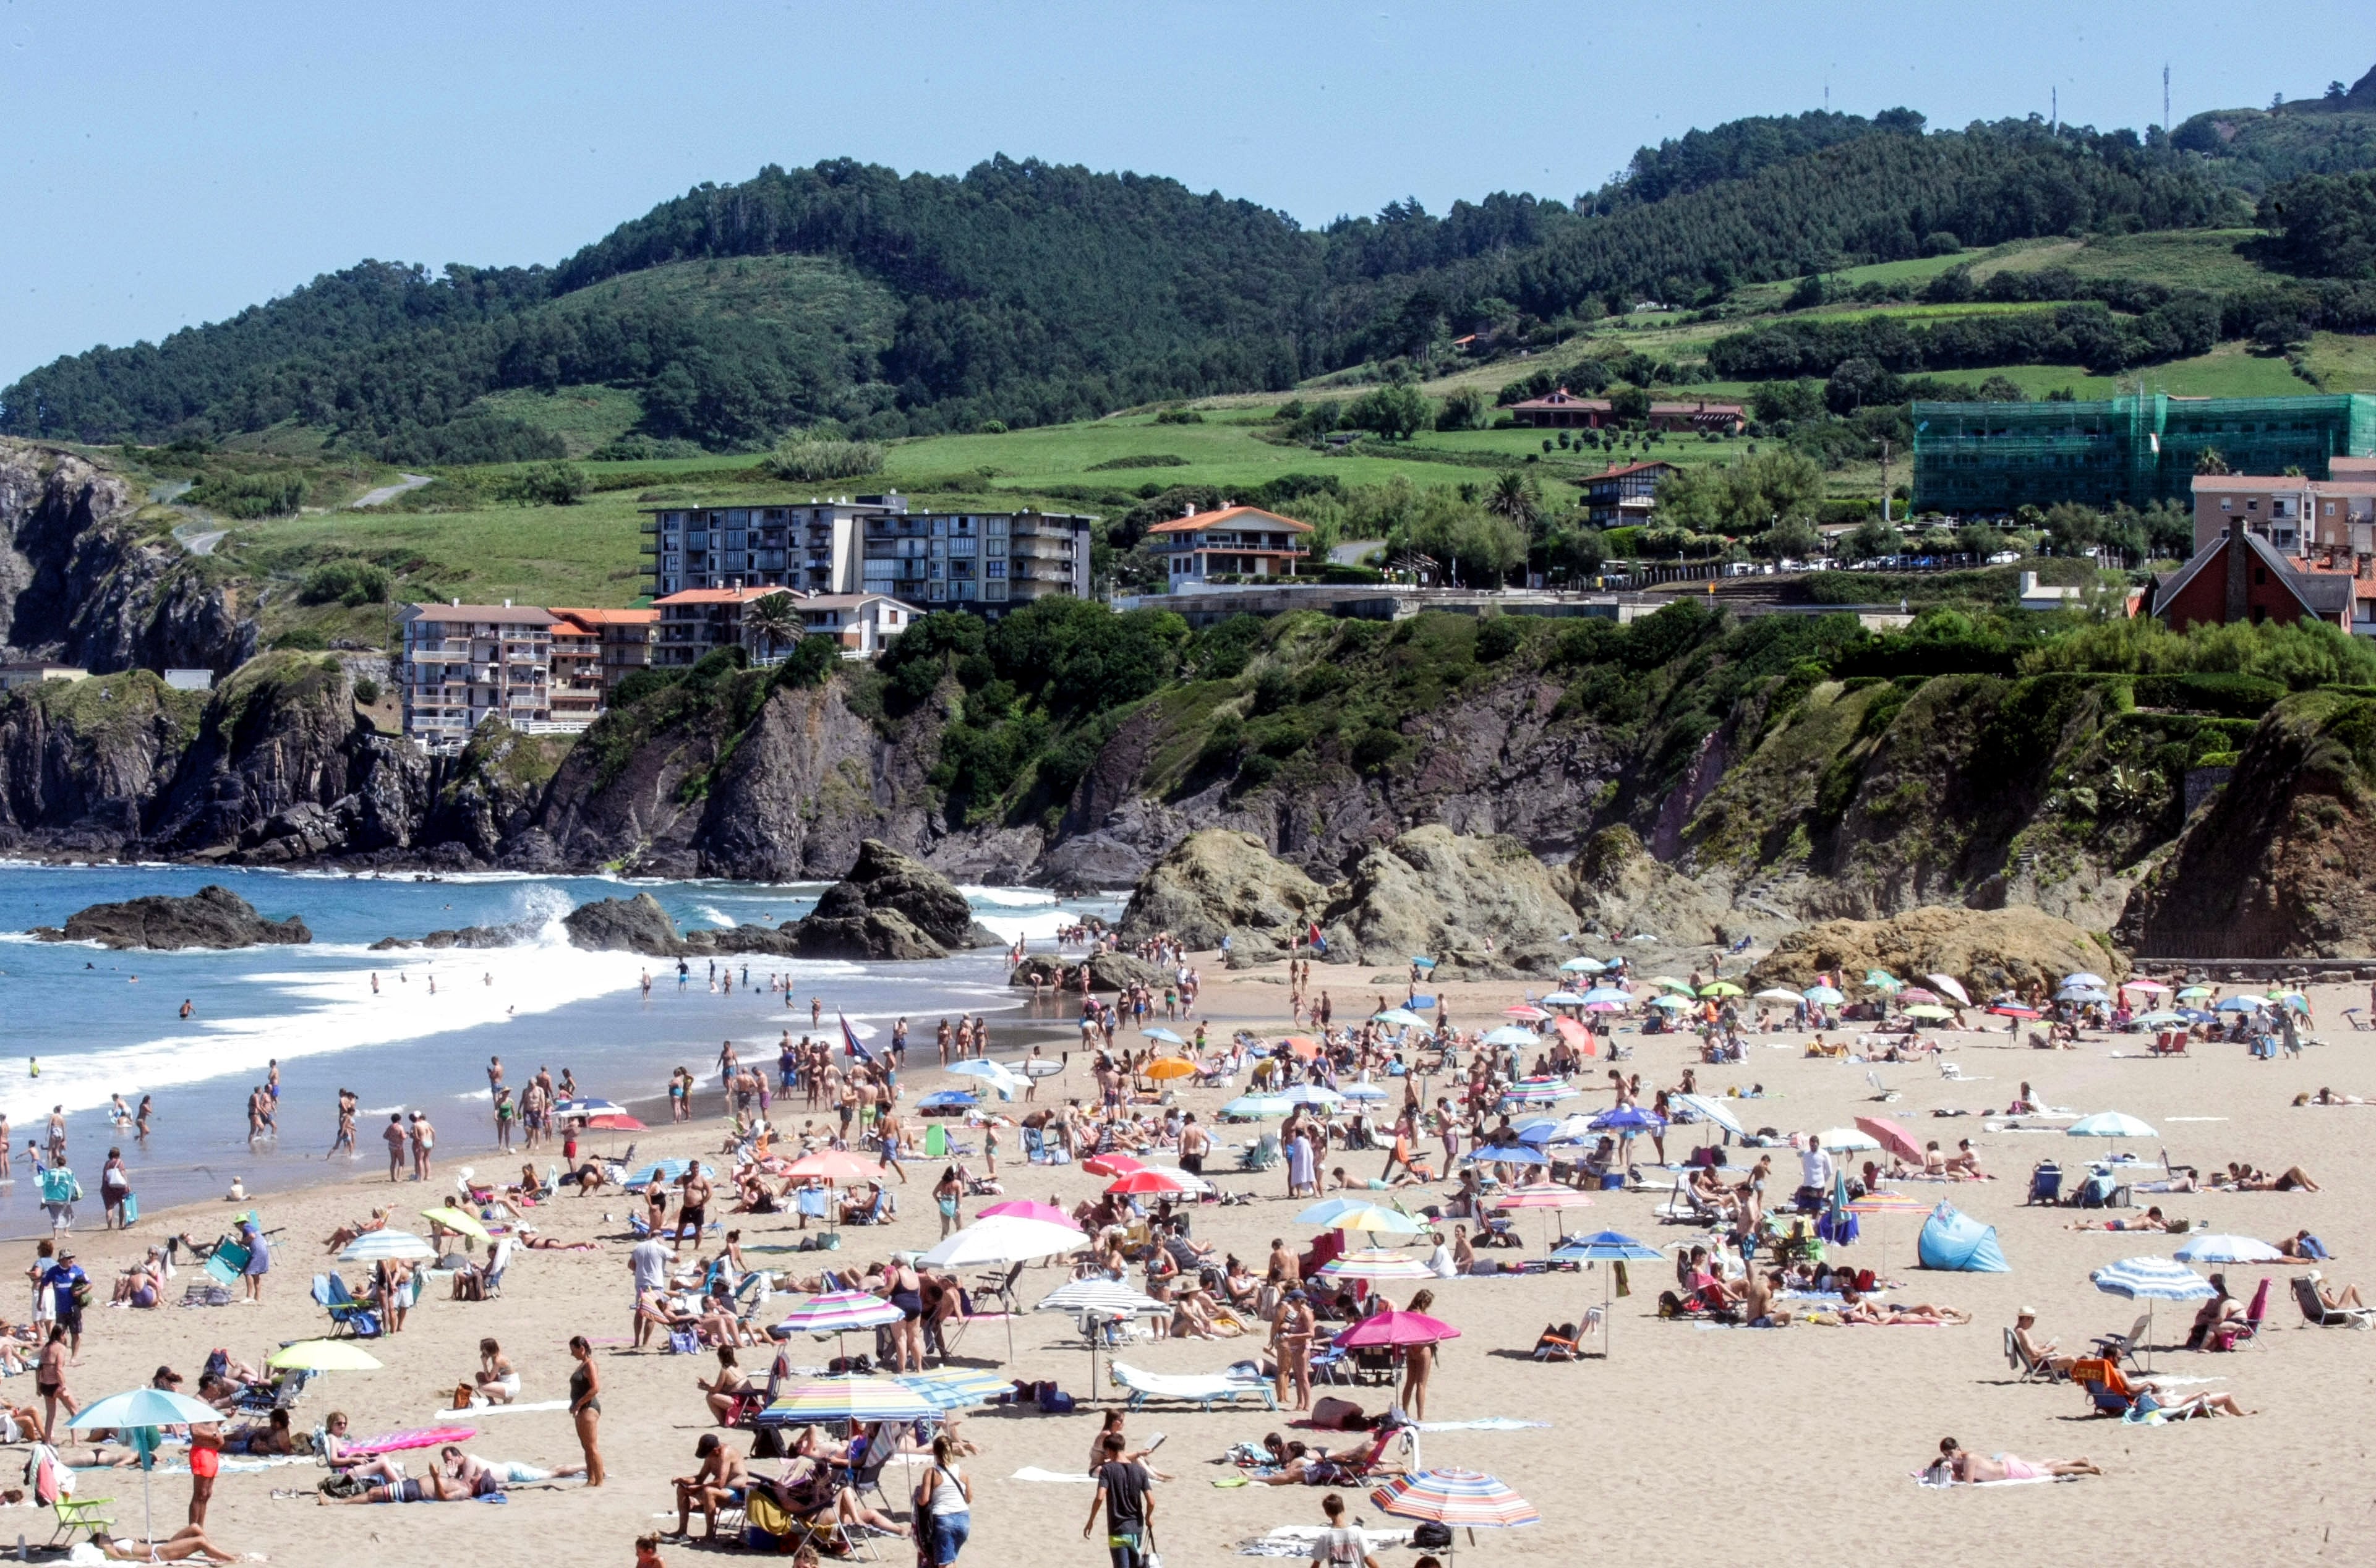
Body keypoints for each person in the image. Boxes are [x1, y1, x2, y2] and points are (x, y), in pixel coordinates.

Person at [1083, 1431, 1155, 1568]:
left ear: (1109, 1450)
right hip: (1136, 1529)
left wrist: (1091, 1521)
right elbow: (1151, 1501)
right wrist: (1148, 1517)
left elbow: (1100, 1497)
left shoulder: (1107, 1470)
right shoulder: (1140, 1471)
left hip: (1118, 1530)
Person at [669, 1433, 748, 1541]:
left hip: (736, 1492)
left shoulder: (725, 1453)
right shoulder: (711, 1455)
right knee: (682, 1488)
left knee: (708, 1491)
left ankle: (710, 1535)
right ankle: (682, 1532)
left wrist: (698, 1488)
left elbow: (720, 1483)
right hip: (721, 1491)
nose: (707, 1457)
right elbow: (700, 1477)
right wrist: (683, 1480)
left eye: (708, 1454)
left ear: (716, 1450)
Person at [913, 1433, 971, 1566]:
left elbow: (924, 1500)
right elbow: (969, 1499)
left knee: (944, 1563)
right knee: (952, 1558)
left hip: (944, 1520)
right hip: (963, 1519)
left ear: (934, 1452)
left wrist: (916, 1498)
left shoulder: (932, 1473)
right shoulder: (962, 1473)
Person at [1933, 1436, 2100, 1482]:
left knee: (2050, 1471)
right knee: (2043, 1464)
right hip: (2007, 1465)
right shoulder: (1965, 1458)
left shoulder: (1969, 1458)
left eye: (1950, 1454)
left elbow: (1968, 1483)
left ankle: (2089, 1469)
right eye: (1946, 1456)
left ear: (1958, 1449)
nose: (1950, 1458)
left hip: (2010, 1472)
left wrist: (1955, 1476)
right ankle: (2079, 1460)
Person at [568, 1334, 605, 1486]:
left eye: (574, 1350)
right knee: (586, 1446)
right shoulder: (582, 1365)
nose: (572, 1354)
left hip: (589, 1408)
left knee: (592, 1447)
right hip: (582, 1409)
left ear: (582, 1349)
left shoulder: (590, 1365)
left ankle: (600, 1481)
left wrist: (579, 1403)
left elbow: (595, 1388)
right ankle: (591, 1479)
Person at [1310, 1491, 1380, 1568]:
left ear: (1327, 1513)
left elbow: (1316, 1564)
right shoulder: (1356, 1532)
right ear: (1343, 1509)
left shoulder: (1324, 1537)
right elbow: (1368, 1559)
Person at [35, 1324, 73, 1439]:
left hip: (45, 1386)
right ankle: (75, 1441)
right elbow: (58, 1370)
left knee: (50, 1415)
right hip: (56, 1385)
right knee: (74, 1410)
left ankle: (47, 1441)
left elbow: (38, 1369)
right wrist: (64, 1387)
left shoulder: (45, 1347)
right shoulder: (60, 1348)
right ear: (62, 1335)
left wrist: (38, 1388)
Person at [475, 1337, 520, 1404]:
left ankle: (508, 1398)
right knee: (479, 1376)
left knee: (482, 1388)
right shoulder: (495, 1353)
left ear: (489, 1350)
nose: (482, 1352)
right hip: (504, 1379)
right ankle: (491, 1402)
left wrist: (484, 1364)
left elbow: (490, 1379)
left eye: (483, 1350)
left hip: (511, 1386)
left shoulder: (498, 1360)